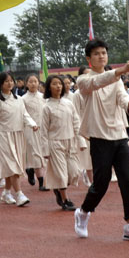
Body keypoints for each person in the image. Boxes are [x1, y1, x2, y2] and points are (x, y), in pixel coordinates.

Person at [73, 39, 129, 242]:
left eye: (104, 53)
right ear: (89, 59)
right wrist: (120, 71)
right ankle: (83, 211)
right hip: (99, 136)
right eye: (96, 54)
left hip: (119, 134)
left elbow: (121, 96)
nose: (101, 56)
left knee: (127, 179)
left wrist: (128, 105)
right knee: (101, 182)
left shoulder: (116, 79)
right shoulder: (83, 80)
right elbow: (97, 82)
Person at [0, 72, 37, 207]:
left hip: (18, 135)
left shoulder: (19, 100)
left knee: (13, 166)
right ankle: (19, 194)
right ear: (1, 84)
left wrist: (32, 124)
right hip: (4, 137)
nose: (9, 83)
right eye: (6, 81)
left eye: (11, 81)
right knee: (13, 165)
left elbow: (24, 115)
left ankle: (6, 192)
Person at [40, 75, 85, 211]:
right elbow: (43, 130)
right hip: (55, 143)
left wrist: (81, 141)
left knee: (74, 173)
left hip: (70, 142)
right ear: (49, 87)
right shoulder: (47, 107)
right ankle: (65, 200)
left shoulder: (69, 104)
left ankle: (58, 188)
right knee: (61, 174)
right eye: (54, 84)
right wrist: (45, 150)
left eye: (59, 83)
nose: (58, 86)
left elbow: (76, 123)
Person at [22, 74, 48, 191]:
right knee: (36, 154)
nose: (33, 84)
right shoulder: (23, 99)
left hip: (43, 129)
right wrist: (31, 124)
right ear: (26, 84)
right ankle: (41, 183)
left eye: (35, 81)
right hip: (30, 130)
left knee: (43, 154)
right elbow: (23, 115)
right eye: (30, 81)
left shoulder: (44, 97)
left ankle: (31, 169)